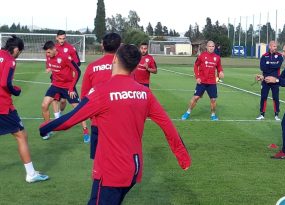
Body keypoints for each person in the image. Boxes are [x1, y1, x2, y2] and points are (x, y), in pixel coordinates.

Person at [39, 44, 191, 205]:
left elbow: (70, 119)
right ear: (135, 66)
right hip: (134, 167)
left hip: (111, 171)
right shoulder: (145, 93)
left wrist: (45, 127)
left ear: (115, 59)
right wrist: (182, 156)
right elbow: (167, 124)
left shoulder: (101, 92)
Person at [0, 35, 49, 183]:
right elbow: (5, 83)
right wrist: (16, 90)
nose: (18, 55)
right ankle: (31, 174)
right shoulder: (10, 60)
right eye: (19, 52)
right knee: (21, 135)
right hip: (3, 106)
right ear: (15, 49)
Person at [80, 32, 121, 159]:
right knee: (120, 160)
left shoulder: (92, 67)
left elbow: (84, 98)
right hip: (121, 123)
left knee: (99, 161)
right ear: (119, 46)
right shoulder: (126, 67)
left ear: (102, 46)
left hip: (98, 122)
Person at [41, 41, 89, 142]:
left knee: (79, 109)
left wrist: (71, 88)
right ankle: (48, 129)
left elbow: (77, 71)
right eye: (46, 53)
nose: (47, 55)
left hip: (68, 86)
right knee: (44, 105)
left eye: (49, 52)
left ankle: (85, 131)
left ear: (54, 49)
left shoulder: (65, 57)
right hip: (55, 85)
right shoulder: (48, 56)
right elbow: (49, 64)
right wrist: (49, 68)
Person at [181, 40, 224, 121]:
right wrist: (197, 77)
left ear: (214, 47)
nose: (211, 48)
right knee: (196, 97)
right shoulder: (201, 56)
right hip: (202, 82)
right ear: (206, 47)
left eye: (213, 46)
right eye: (210, 46)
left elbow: (219, 67)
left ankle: (213, 115)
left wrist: (221, 72)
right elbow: (195, 66)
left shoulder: (217, 57)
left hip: (212, 82)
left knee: (213, 99)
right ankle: (187, 112)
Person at [52, 30, 81, 121]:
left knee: (64, 101)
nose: (62, 40)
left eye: (63, 38)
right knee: (55, 99)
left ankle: (60, 112)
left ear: (66, 38)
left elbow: (77, 63)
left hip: (68, 80)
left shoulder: (71, 48)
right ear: (56, 38)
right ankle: (57, 120)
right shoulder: (53, 48)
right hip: (56, 79)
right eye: (60, 38)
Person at [257, 41, 283, 121]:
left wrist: (268, 64)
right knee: (263, 97)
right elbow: (262, 68)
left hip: (275, 80)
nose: (275, 48)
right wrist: (272, 65)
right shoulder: (264, 56)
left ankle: (276, 115)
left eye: (276, 46)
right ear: (270, 47)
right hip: (265, 80)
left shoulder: (279, 56)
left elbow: (278, 65)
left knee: (275, 97)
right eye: (274, 46)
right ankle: (262, 114)